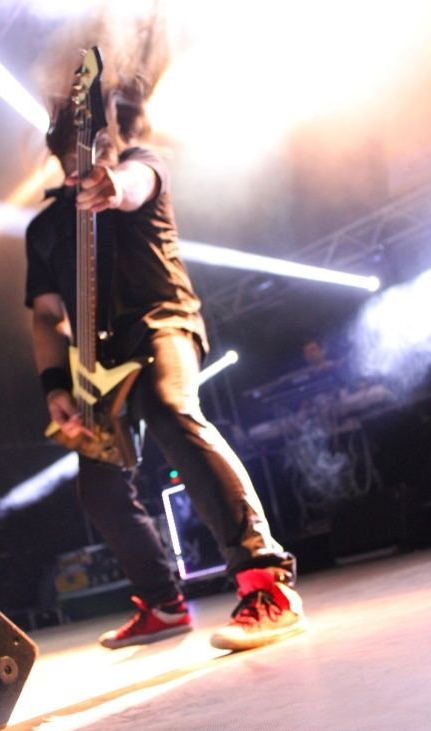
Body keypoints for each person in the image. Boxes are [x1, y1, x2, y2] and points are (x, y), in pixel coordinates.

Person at [24, 79, 306, 652]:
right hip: (98, 363)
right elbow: (48, 316)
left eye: (90, 142)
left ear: (106, 136)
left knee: (170, 407)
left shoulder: (141, 164)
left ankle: (267, 584)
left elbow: (134, 184)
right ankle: (163, 604)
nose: (81, 154)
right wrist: (55, 385)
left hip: (162, 324)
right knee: (98, 486)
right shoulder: (44, 228)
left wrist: (114, 185)